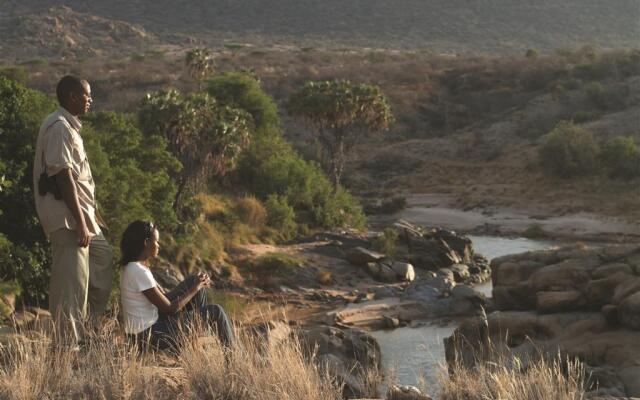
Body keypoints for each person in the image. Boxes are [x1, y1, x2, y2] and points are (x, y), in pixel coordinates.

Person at [33, 75, 112, 346]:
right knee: (70, 286)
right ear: (72, 97)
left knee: (101, 256)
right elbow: (63, 176)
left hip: (83, 216)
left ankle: (87, 329)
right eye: (87, 95)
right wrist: (80, 222)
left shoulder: (69, 126)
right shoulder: (59, 127)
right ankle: (68, 348)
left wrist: (90, 218)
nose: (90, 100)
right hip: (68, 220)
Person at [119, 220, 234, 351]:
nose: (158, 245)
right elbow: (170, 309)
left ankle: (191, 338)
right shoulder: (138, 271)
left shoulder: (134, 266)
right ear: (146, 243)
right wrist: (196, 287)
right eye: (156, 241)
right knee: (216, 312)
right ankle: (232, 358)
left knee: (194, 281)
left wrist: (197, 283)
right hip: (148, 336)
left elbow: (164, 297)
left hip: (148, 328)